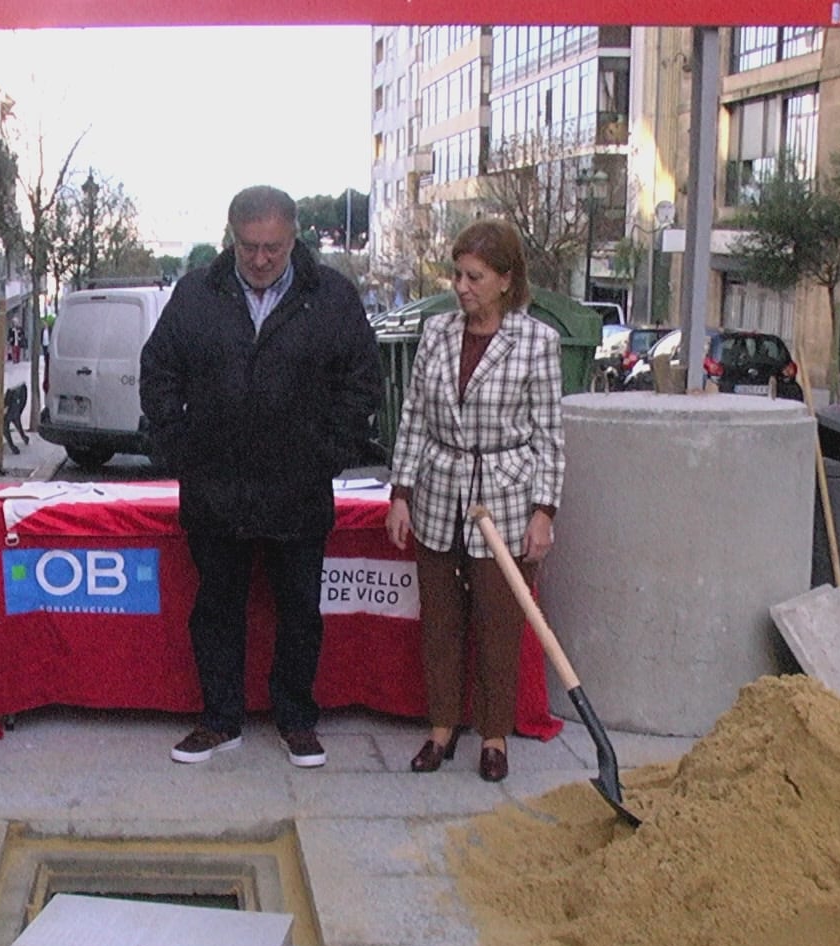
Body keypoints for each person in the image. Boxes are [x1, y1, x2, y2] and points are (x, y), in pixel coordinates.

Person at [140, 185, 382, 769]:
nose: (261, 259)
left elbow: (362, 383)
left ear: (294, 238)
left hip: (298, 490)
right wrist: (181, 450)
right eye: (249, 247)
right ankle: (220, 721)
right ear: (232, 238)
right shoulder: (195, 294)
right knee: (216, 609)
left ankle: (296, 720)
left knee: (299, 610)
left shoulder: (332, 298)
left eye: (273, 247)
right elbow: (159, 371)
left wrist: (327, 452)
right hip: (215, 490)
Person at [385, 218, 564, 781]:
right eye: (457, 274)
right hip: (439, 493)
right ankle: (441, 729)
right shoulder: (435, 333)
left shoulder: (537, 341)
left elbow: (550, 434)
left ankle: (493, 736)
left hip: (505, 498)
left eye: (475, 276)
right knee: (439, 621)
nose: (462, 287)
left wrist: (544, 511)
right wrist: (401, 492)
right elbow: (413, 417)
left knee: (497, 624)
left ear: (506, 280)